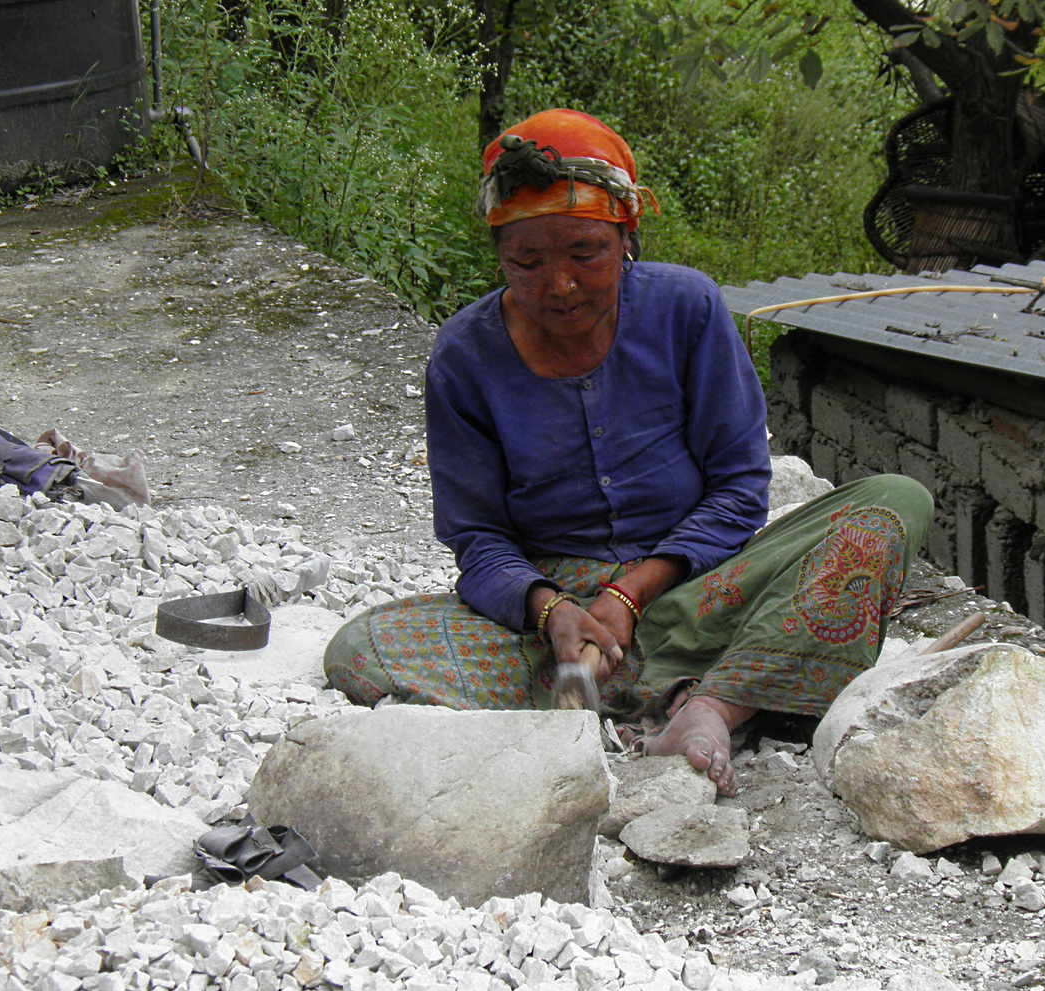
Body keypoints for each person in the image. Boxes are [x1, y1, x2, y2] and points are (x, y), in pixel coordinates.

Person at [324, 108, 933, 796]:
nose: (559, 285)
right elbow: (479, 538)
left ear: (627, 238)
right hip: (560, 608)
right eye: (527, 262)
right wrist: (552, 612)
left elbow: (737, 490)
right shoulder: (464, 357)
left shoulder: (688, 310)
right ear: (499, 257)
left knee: (894, 502)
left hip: (696, 585)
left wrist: (631, 593)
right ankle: (725, 676)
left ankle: (710, 706)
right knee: (359, 650)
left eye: (586, 254)